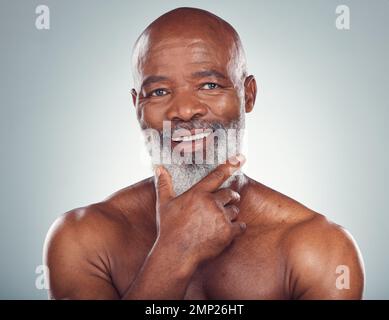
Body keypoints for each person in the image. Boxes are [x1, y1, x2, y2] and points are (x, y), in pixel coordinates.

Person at [44, 7, 364, 299]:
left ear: (247, 94)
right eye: (158, 92)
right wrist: (174, 253)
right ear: (137, 107)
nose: (184, 110)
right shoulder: (81, 239)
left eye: (209, 85)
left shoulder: (320, 249)